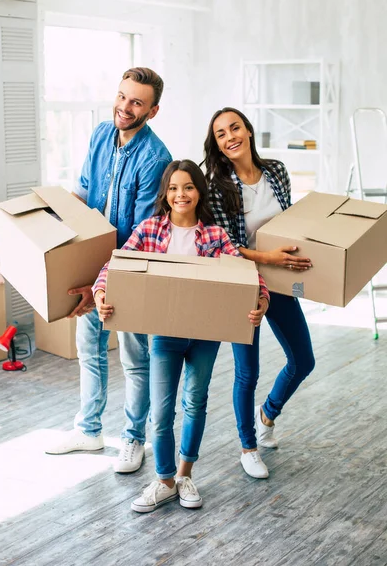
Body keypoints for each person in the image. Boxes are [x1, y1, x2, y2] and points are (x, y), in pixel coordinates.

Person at [92, 160, 270, 512]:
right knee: (160, 413)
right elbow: (113, 266)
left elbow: (249, 275)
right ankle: (164, 480)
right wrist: (101, 295)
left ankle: (186, 475)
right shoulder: (150, 230)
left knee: (195, 402)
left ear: (199, 192)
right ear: (166, 193)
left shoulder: (214, 236)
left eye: (188, 187)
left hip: (205, 336)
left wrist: (261, 300)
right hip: (165, 335)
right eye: (173, 188)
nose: (180, 194)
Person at [45, 67, 172, 475]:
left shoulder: (156, 158)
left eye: (137, 102)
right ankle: (89, 430)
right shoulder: (101, 133)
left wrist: (99, 283)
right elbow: (84, 192)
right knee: (90, 350)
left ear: (152, 111)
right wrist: (57, 215)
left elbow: (137, 237)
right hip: (93, 267)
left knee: (135, 360)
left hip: (132, 271)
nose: (125, 107)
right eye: (122, 96)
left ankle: (134, 439)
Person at [203, 107, 315, 479]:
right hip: (243, 282)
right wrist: (268, 256)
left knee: (303, 360)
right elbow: (225, 245)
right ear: (217, 145)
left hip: (280, 282)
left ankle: (267, 414)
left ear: (248, 131)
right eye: (221, 134)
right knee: (246, 371)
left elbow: (290, 219)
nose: (230, 136)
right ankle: (248, 447)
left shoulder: (277, 171)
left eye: (235, 127)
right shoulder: (217, 185)